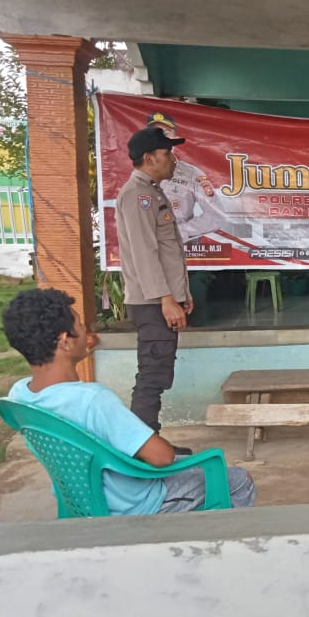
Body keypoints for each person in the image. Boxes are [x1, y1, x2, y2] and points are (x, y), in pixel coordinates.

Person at [1, 289, 256, 514]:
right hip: (138, 503)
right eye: (81, 325)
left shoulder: (20, 395)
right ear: (65, 341)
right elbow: (162, 457)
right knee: (237, 480)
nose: (87, 331)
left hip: (82, 500)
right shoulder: (93, 400)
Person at [116, 125, 193, 453]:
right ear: (149, 157)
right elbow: (144, 253)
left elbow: (167, 250)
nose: (173, 159)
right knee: (152, 376)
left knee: (157, 373)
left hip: (161, 300)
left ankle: (149, 445)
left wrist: (180, 294)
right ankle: (143, 451)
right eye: (167, 153)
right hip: (152, 303)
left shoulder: (151, 192)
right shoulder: (138, 195)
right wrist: (165, 299)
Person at [146, 112, 232, 241]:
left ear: (175, 138)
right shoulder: (130, 172)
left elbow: (217, 216)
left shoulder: (191, 174)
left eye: (167, 133)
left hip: (177, 248)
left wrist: (180, 231)